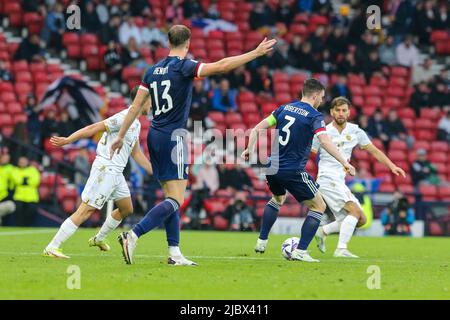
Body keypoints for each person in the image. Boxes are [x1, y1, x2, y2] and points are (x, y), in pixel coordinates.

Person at [110, 25, 276, 266]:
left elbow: (135, 107)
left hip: (154, 134)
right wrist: (255, 53)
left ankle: (174, 253)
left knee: (170, 196)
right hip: (174, 136)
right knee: (176, 199)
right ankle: (133, 235)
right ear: (187, 42)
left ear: (168, 41)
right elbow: (221, 66)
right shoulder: (185, 66)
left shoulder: (152, 71)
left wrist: (120, 135)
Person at [242, 79, 356, 262]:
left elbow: (257, 129)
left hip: (272, 167)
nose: (322, 100)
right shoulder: (314, 116)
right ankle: (301, 251)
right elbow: (325, 142)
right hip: (292, 169)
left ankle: (261, 241)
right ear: (316, 95)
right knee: (319, 206)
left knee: (278, 198)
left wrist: (249, 149)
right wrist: (345, 162)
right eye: (322, 97)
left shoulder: (283, 109)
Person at [43, 87, 153, 259]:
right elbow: (94, 127)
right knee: (86, 210)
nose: (152, 105)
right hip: (106, 168)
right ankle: (52, 246)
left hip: (117, 172)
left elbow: (137, 153)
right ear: (142, 101)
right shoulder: (123, 117)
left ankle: (98, 238)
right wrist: (68, 140)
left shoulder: (136, 124)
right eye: (150, 101)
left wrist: (156, 172)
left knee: (126, 208)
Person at [312, 97, 406, 258]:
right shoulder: (323, 132)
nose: (341, 113)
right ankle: (341, 249)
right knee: (354, 212)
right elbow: (310, 153)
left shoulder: (355, 131)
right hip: (327, 178)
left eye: (344, 110)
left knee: (360, 219)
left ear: (349, 113)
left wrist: (392, 166)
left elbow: (375, 151)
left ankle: (323, 231)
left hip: (339, 180)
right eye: (338, 110)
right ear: (331, 112)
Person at [11, 156, 40, 226]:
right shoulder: (15, 170)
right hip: (19, 196)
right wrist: (27, 181)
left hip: (32, 197)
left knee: (31, 211)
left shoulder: (33, 170)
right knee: (18, 212)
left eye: (24, 161)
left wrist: (23, 181)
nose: (22, 163)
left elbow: (35, 181)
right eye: (21, 162)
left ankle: (27, 226)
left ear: (27, 162)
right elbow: (16, 180)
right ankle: (20, 226)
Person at [0, 151, 15, 224]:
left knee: (10, 205)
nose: (5, 159)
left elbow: (14, 181)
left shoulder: (11, 168)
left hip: (4, 195)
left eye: (7, 158)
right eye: (4, 158)